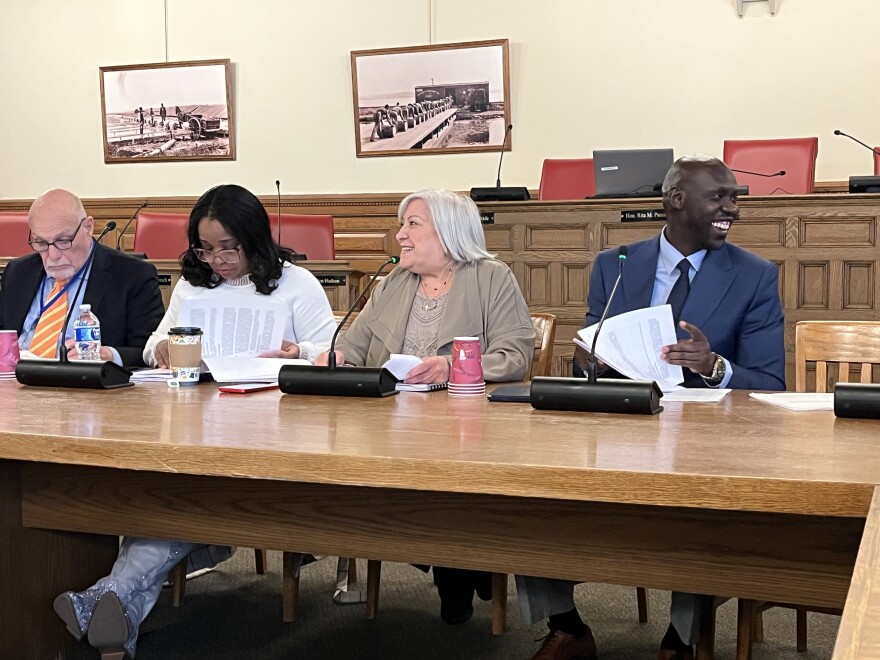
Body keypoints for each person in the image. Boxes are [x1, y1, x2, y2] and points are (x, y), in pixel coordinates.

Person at [516, 155, 785, 660]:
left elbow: (771, 383)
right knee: (528, 491)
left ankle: (682, 640)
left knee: (702, 510)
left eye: (735, 198)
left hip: (707, 443)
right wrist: (588, 359)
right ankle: (567, 626)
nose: (732, 209)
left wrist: (713, 365)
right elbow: (590, 360)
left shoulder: (754, 276)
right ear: (676, 200)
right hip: (621, 430)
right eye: (719, 197)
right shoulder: (615, 265)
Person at [53, 184, 336, 660]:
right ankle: (116, 604)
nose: (217, 260)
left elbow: (332, 353)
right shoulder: (192, 284)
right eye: (206, 249)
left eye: (228, 248)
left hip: (272, 434)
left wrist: (298, 351)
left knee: (176, 497)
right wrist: (162, 348)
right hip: (197, 426)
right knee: (167, 490)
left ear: (254, 238)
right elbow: (152, 345)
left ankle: (106, 598)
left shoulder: (296, 284)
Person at [318, 188, 535, 624]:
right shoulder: (392, 281)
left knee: (449, 480)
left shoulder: (491, 277)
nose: (400, 235)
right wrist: (335, 358)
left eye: (413, 225)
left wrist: (453, 366)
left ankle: (458, 569)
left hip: (468, 430)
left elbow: (515, 355)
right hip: (391, 429)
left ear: (449, 233)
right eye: (403, 225)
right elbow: (352, 347)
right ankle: (455, 567)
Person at [0, 189, 163, 367]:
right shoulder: (18, 272)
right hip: (14, 378)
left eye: (63, 241)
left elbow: (151, 350)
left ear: (88, 227)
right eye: (41, 243)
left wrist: (109, 355)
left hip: (82, 381)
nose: (53, 255)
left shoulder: (133, 275)